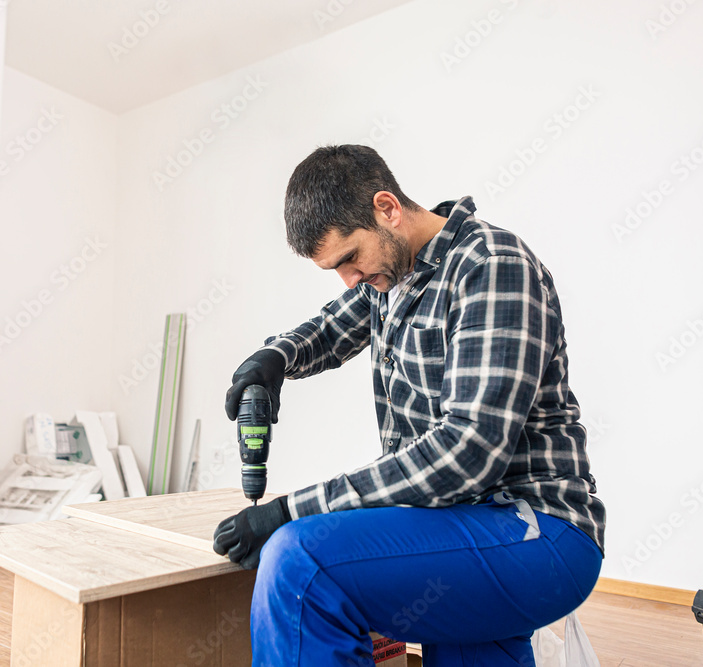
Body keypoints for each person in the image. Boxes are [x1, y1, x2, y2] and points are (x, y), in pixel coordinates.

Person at [213, 144, 605, 666]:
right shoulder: (391, 276)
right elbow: (329, 329)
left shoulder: (491, 266)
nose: (348, 279)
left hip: (536, 531)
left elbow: (467, 451)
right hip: (463, 526)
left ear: (387, 209)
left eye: (349, 258)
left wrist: (290, 511)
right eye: (333, 268)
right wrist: (272, 358)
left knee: (300, 561)